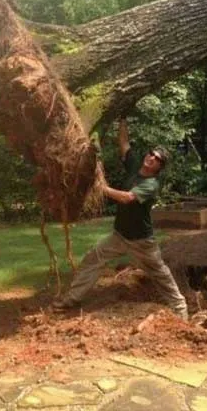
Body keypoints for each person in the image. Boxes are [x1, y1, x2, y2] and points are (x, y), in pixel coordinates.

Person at [52, 118, 189, 320]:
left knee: (160, 273)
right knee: (93, 258)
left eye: (156, 159)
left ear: (159, 167)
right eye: (151, 153)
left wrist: (100, 187)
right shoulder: (135, 165)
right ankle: (71, 299)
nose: (151, 158)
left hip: (141, 241)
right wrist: (123, 120)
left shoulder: (151, 184)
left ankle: (180, 309)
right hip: (120, 235)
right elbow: (124, 144)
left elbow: (127, 198)